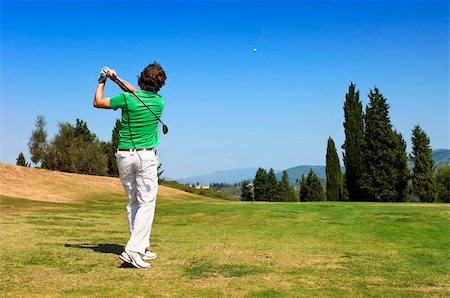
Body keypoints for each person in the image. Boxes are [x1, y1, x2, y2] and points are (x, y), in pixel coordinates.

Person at [93, 62, 166, 269]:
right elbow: (134, 91)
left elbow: (98, 102)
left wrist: (104, 80)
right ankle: (132, 250)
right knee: (146, 203)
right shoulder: (159, 101)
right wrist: (116, 79)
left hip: (124, 156)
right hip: (145, 158)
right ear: (160, 84)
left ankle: (140, 247)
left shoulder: (127, 99)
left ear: (141, 79)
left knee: (134, 202)